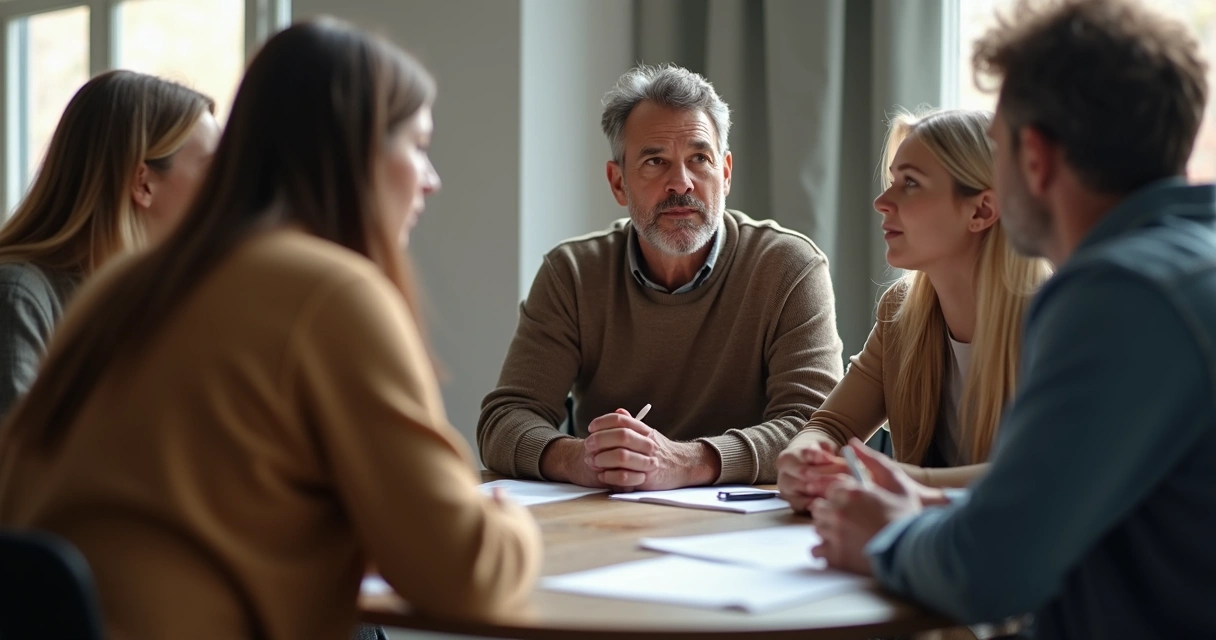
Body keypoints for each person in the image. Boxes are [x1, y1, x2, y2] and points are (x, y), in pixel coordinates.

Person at [0, 17, 540, 640]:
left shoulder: (119, 289)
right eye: (417, 145)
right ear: (357, 152)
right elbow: (465, 569)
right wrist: (512, 524)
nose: (430, 178)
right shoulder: (333, 294)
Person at [810, 1, 1216, 637]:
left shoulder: (1119, 294)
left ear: (1037, 156)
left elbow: (991, 568)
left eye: (995, 148)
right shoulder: (1189, 264)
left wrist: (889, 533)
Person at [477, 64, 844, 490]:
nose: (680, 183)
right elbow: (505, 419)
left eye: (699, 159)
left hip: (747, 529)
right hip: (610, 520)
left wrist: (686, 462)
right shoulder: (572, 274)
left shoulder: (789, 267)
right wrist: (582, 458)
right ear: (618, 183)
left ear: (725, 173)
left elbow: (817, 428)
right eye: (655, 161)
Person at [776, 109, 1051, 514]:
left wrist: (906, 482)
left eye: (911, 184)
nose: (882, 202)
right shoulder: (900, 313)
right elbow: (831, 425)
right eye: (892, 181)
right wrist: (802, 459)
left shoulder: (1056, 319)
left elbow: (1043, 473)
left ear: (981, 211)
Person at [0, 70, 218, 417]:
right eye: (212, 170)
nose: (225, 189)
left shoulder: (160, 304)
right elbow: (19, 466)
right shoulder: (19, 298)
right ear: (143, 183)